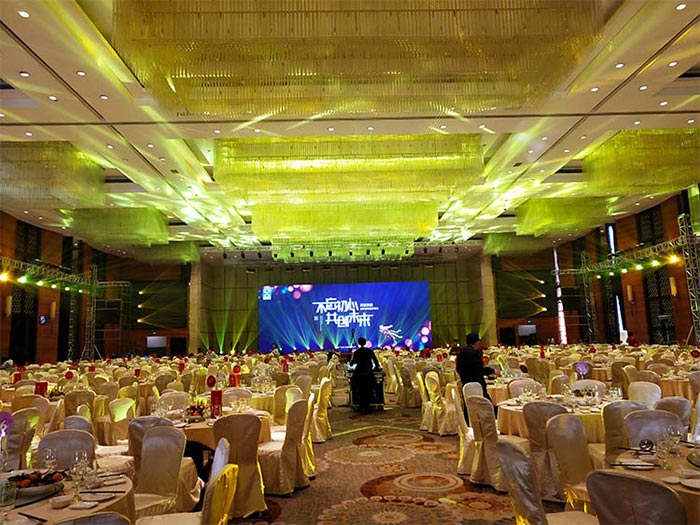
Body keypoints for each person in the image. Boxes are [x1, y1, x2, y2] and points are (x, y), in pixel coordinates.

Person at [455, 332, 493, 404]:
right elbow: (480, 370)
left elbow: (458, 368)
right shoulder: (474, 354)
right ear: (477, 342)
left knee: (469, 406)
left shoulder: (461, 353)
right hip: (478, 387)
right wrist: (492, 370)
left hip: (466, 386)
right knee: (488, 405)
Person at [348, 337, 380, 413]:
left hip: (359, 373)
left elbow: (352, 363)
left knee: (358, 388)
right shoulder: (370, 351)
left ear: (358, 343)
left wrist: (350, 360)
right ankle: (368, 404)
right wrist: (375, 368)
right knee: (369, 388)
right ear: (365, 343)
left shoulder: (356, 352)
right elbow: (376, 361)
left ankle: (361, 404)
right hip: (369, 372)